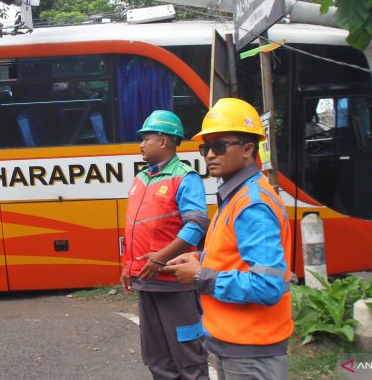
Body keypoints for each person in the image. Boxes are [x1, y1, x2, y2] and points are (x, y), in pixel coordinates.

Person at [165, 98, 292, 380]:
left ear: (248, 149)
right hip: (236, 344)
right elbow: (234, 257)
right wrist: (199, 259)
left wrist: (200, 277)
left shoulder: (252, 205)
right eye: (205, 147)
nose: (209, 154)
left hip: (252, 349)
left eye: (219, 146)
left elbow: (267, 285)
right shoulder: (236, 196)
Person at [120, 109, 210, 380]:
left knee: (188, 356)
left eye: (147, 138)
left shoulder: (186, 178)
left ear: (165, 141)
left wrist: (160, 258)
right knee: (156, 357)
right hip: (145, 280)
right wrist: (128, 266)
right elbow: (133, 229)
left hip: (174, 283)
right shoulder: (141, 178)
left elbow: (196, 227)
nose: (141, 144)